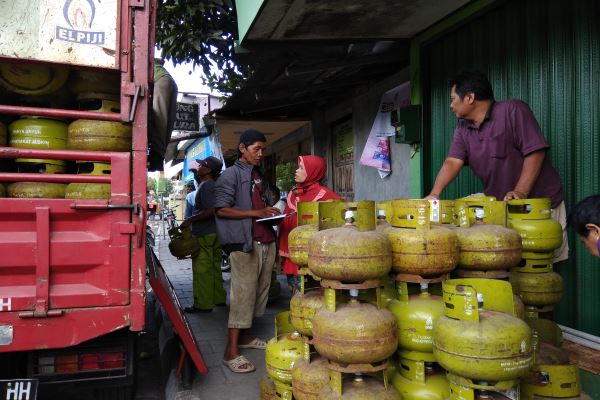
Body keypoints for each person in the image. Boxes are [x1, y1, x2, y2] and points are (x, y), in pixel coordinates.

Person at [425, 70, 568, 262]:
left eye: (453, 99)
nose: (451, 105)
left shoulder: (513, 110)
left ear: (469, 97)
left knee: (538, 272)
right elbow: (453, 161)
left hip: (540, 206)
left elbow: (535, 152)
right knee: (508, 264)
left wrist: (521, 192)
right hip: (502, 208)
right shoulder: (463, 128)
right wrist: (435, 194)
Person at [214, 129, 281, 373]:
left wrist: (272, 211)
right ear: (242, 148)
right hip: (244, 244)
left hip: (265, 240)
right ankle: (230, 352)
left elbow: (260, 205)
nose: (261, 153)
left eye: (263, 149)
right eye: (256, 149)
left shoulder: (257, 175)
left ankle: (246, 336)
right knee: (242, 296)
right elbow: (221, 209)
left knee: (258, 293)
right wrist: (256, 213)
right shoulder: (230, 175)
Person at [278, 155, 340, 293]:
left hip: (316, 258)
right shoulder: (293, 194)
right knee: (296, 297)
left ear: (313, 171)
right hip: (293, 257)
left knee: (315, 296)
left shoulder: (327, 197)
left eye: (301, 168)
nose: (296, 171)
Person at [180, 156, 227, 313]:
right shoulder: (213, 185)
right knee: (214, 268)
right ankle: (218, 299)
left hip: (204, 234)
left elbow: (210, 210)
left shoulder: (206, 186)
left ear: (208, 170)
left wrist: (190, 220)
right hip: (215, 232)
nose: (199, 167)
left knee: (202, 271)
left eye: (202, 165)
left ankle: (203, 305)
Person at [148, 59, 178, 171]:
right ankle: (158, 156)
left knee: (159, 118)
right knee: (167, 123)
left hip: (160, 80)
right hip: (169, 81)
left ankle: (156, 155)